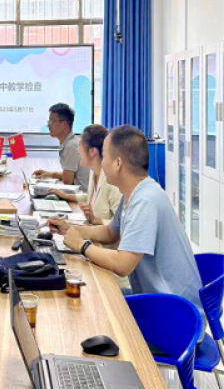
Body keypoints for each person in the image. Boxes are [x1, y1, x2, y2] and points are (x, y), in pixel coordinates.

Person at [48, 126, 203, 318]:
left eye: (105, 156)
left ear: (117, 163)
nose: (102, 163)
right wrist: (71, 229)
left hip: (175, 315)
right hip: (161, 302)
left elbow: (123, 265)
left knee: (89, 308)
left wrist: (82, 245)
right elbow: (111, 232)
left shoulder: (145, 201)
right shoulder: (134, 193)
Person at [48, 125, 122, 225]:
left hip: (99, 234)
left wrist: (97, 221)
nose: (78, 150)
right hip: (91, 230)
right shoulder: (94, 171)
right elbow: (91, 197)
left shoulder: (112, 182)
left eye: (80, 145)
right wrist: (66, 196)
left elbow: (123, 224)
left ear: (92, 152)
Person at [33, 103, 90, 192]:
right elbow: (68, 174)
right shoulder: (70, 143)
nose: (48, 125)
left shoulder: (71, 146)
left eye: (52, 121)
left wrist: (51, 177)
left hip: (79, 196)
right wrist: (49, 174)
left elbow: (67, 181)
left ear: (64, 124)